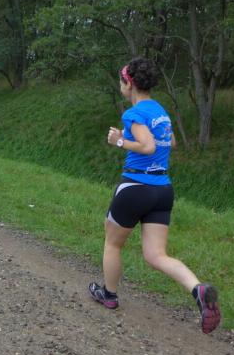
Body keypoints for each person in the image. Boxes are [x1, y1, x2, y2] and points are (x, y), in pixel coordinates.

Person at [88, 57, 221, 334]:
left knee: (112, 243)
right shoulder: (160, 111)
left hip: (136, 186)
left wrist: (119, 140)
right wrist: (132, 136)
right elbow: (170, 142)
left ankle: (108, 295)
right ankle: (197, 288)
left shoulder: (133, 113)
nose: (121, 85)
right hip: (162, 190)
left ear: (129, 84)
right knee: (156, 255)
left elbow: (148, 146)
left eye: (121, 81)